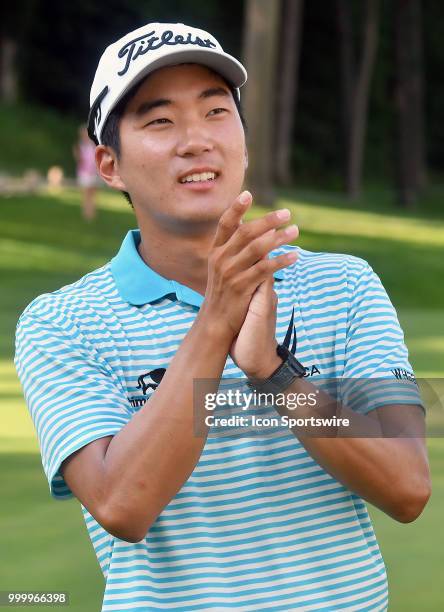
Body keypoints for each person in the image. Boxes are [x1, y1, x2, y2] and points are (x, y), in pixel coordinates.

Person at [15, 22, 430, 612]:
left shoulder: (347, 285)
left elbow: (408, 486)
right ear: (109, 165)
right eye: (159, 121)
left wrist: (274, 373)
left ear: (244, 141)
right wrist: (216, 323)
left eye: (215, 112)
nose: (195, 139)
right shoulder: (60, 323)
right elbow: (122, 506)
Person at [73, 124, 98, 221]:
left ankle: (91, 212)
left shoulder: (93, 145)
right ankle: (86, 213)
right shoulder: (79, 146)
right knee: (86, 194)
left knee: (92, 194)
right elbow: (79, 160)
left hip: (94, 173)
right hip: (84, 173)